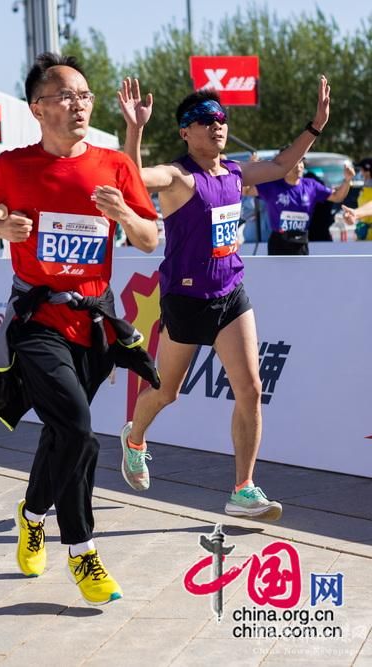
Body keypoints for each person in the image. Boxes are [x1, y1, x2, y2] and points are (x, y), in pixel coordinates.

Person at [0, 53, 160, 606]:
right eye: (66, 96)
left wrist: (123, 215)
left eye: (84, 96)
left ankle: (30, 515)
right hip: (37, 320)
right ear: (38, 108)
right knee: (78, 429)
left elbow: (149, 240)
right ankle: (81, 550)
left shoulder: (114, 165)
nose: (79, 105)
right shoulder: (12, 166)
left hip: (93, 322)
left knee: (61, 433)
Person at [116, 76, 331, 520]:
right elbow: (134, 179)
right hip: (186, 299)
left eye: (221, 118)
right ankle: (134, 438)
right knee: (167, 392)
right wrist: (135, 129)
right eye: (204, 119)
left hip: (231, 293)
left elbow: (282, 164)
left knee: (251, 389)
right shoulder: (178, 176)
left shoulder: (234, 173)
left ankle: (243, 489)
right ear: (185, 131)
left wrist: (316, 125)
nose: (216, 124)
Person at [243, 152, 353, 255]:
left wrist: (347, 180)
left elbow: (337, 197)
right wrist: (251, 169)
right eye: (295, 163)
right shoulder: (272, 185)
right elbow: (246, 191)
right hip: (279, 243)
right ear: (285, 167)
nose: (299, 166)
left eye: (301, 162)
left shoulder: (311, 185)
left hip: (301, 242)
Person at [354, 158, 372, 240]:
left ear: (368, 171)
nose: (360, 173)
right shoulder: (364, 188)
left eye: (361, 170)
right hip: (363, 234)